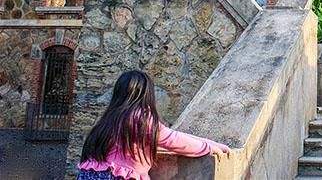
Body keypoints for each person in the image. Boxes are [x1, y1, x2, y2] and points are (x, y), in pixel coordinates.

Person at [77, 70, 231, 180]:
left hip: (88, 175)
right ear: (146, 94)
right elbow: (174, 139)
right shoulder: (140, 120)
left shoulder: (108, 118)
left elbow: (171, 134)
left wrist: (210, 143)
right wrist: (209, 147)